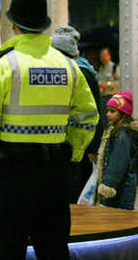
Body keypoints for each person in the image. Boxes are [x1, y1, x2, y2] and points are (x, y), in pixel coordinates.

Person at [0, 0, 99, 260]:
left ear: (13, 24)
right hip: (53, 174)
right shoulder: (68, 66)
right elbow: (88, 118)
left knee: (8, 253)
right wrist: (72, 156)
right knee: (53, 251)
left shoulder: (3, 66)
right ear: (44, 25)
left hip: (12, 176)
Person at [51, 25, 102, 203]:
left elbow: (92, 113)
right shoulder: (82, 69)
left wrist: (91, 149)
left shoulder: (78, 72)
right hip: (71, 147)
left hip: (76, 148)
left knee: (75, 195)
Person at [95, 91, 138, 210]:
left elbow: (117, 163)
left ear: (123, 113)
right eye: (107, 110)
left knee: (118, 219)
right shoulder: (117, 131)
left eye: (113, 111)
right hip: (121, 187)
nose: (108, 114)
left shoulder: (122, 135)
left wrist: (108, 186)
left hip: (120, 190)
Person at [97, 47, 120, 128]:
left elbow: (119, 82)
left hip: (112, 98)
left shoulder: (114, 67)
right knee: (104, 121)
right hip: (102, 98)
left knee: (112, 122)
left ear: (109, 56)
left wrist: (108, 84)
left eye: (105, 55)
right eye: (101, 56)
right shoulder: (100, 68)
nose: (103, 58)